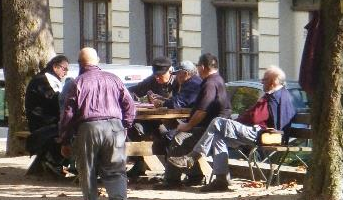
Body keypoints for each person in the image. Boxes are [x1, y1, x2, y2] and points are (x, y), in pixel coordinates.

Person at [168, 65, 297, 191]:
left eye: (265, 79)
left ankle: (192, 157)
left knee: (218, 122)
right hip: (260, 132)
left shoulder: (274, 96)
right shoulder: (279, 94)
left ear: (274, 81)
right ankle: (221, 180)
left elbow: (255, 117)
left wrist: (240, 118)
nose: (262, 81)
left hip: (263, 134)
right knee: (218, 137)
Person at [59, 47, 136, 200]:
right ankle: (117, 199)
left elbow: (68, 114)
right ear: (98, 61)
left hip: (89, 128)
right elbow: (129, 105)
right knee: (116, 170)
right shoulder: (114, 79)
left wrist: (65, 138)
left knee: (88, 172)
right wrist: (126, 125)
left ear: (79, 64)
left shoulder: (77, 83)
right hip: (115, 127)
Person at [163, 52, 232, 187]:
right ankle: (194, 176)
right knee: (178, 137)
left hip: (210, 129)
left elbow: (201, 111)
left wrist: (188, 126)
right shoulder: (217, 79)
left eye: (198, 66)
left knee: (179, 139)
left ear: (204, 67)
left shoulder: (210, 83)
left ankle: (172, 181)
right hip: (215, 126)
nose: (197, 69)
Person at [127, 55, 176, 179]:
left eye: (161, 75)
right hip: (155, 120)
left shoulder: (178, 82)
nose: (158, 78)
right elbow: (133, 90)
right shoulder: (152, 81)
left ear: (170, 70)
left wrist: (163, 101)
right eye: (156, 75)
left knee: (166, 134)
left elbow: (181, 102)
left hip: (176, 120)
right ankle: (140, 162)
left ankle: (170, 170)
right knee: (133, 125)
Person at [25, 55, 71, 175]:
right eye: (64, 69)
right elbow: (55, 102)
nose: (65, 73)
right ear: (55, 67)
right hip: (42, 123)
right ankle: (54, 162)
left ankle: (56, 162)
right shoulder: (43, 80)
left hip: (48, 120)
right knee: (70, 131)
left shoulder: (48, 79)